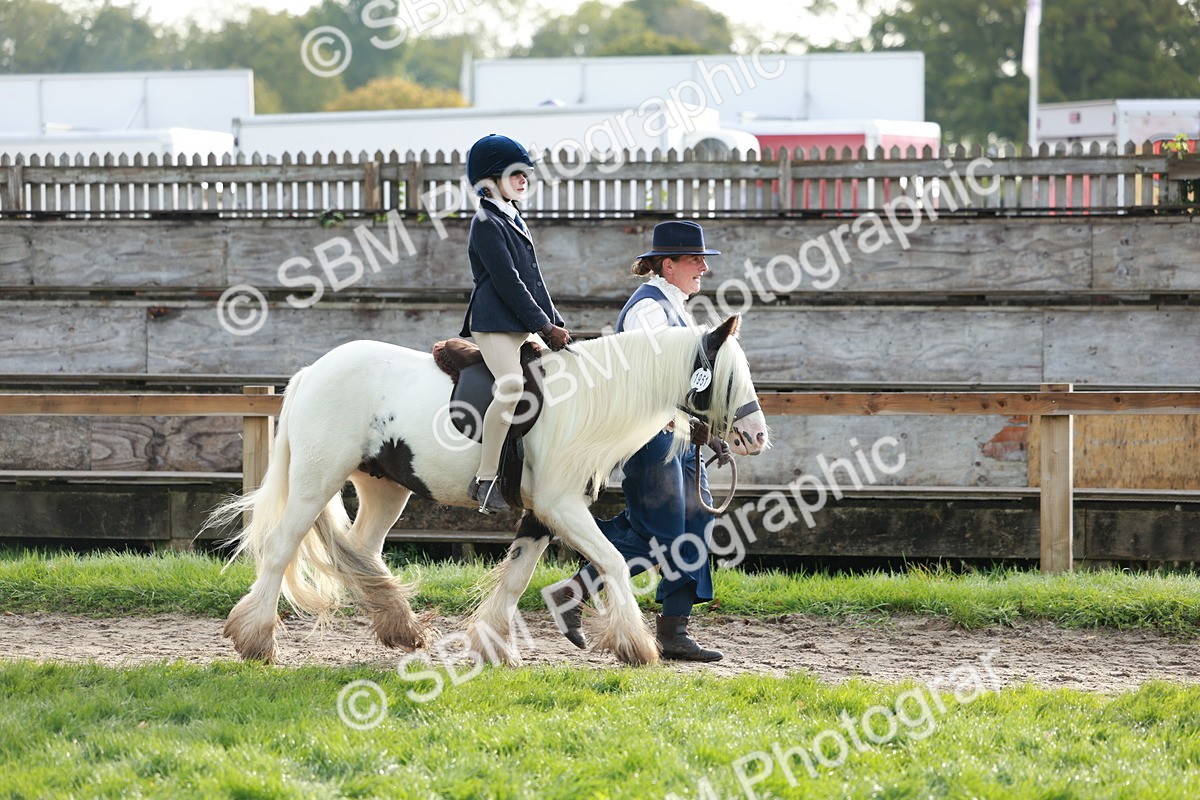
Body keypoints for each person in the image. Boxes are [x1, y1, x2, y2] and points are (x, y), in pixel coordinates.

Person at [544, 220, 730, 662]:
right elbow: (645, 385)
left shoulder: (677, 309)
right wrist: (687, 424)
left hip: (680, 440)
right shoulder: (649, 311)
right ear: (669, 265)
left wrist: (708, 428)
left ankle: (673, 630)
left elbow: (685, 386)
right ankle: (574, 592)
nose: (703, 267)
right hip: (652, 441)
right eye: (695, 260)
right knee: (659, 532)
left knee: (695, 525)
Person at [460, 134, 571, 514]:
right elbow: (509, 283)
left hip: (520, 322)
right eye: (516, 173)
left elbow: (534, 278)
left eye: (526, 173)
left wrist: (556, 322)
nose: (525, 179)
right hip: (493, 325)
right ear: (489, 179)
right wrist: (544, 327)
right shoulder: (486, 223)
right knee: (510, 388)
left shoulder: (514, 216)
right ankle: (486, 479)